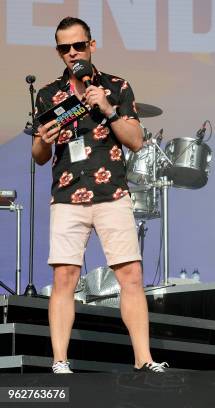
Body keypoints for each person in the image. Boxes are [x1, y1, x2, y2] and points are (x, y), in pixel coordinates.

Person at [31, 17, 166, 373]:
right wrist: (43, 142)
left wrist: (106, 109)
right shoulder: (49, 94)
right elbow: (39, 156)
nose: (72, 53)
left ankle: (143, 359)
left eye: (78, 45)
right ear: (58, 52)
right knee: (64, 278)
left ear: (92, 45)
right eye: (64, 48)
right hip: (67, 194)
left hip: (112, 193)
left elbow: (135, 140)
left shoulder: (116, 86)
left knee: (131, 275)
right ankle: (60, 360)